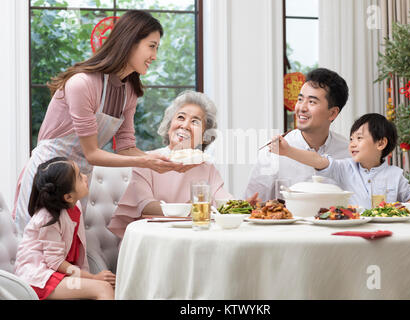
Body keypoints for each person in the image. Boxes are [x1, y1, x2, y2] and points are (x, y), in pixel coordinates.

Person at [13, 10, 193, 236]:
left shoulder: (130, 92)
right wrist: (148, 162)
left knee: (69, 252)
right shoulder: (82, 84)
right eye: (152, 46)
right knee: (39, 252)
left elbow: (126, 146)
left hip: (78, 184)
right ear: (130, 42)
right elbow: (92, 153)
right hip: (47, 178)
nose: (155, 56)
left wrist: (162, 158)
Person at [108, 91, 258, 238]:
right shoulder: (147, 160)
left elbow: (222, 202)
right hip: (155, 237)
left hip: (194, 238)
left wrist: (242, 206)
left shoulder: (207, 168)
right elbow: (144, 205)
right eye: (180, 117)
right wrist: (192, 209)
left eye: (195, 122)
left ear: (204, 136)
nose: (185, 125)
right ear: (169, 125)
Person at [269, 113, 410, 211]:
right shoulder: (345, 168)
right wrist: (287, 151)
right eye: (351, 139)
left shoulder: (395, 175)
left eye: (359, 138)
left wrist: (403, 208)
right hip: (352, 232)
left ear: (380, 144)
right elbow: (318, 160)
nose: (352, 144)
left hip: (388, 235)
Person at [15, 157, 116, 300]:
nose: (85, 177)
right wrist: (93, 277)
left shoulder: (75, 206)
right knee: (103, 287)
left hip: (54, 274)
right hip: (38, 280)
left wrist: (89, 278)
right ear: (68, 196)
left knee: (107, 286)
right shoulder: (48, 218)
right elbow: (55, 262)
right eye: (80, 177)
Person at [244, 68, 350, 201]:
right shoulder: (273, 151)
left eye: (312, 102)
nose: (302, 108)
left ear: (333, 113)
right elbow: (250, 205)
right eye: (300, 99)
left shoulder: (348, 152)